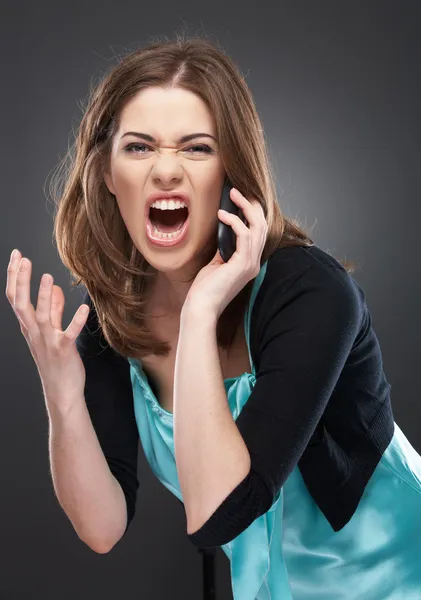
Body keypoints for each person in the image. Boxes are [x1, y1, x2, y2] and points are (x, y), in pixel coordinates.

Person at [6, 34, 421, 600]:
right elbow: (101, 528)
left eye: (197, 148)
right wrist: (62, 394)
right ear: (106, 173)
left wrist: (200, 312)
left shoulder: (312, 292)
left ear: (232, 171)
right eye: (139, 147)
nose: (166, 171)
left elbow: (219, 515)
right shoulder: (111, 318)